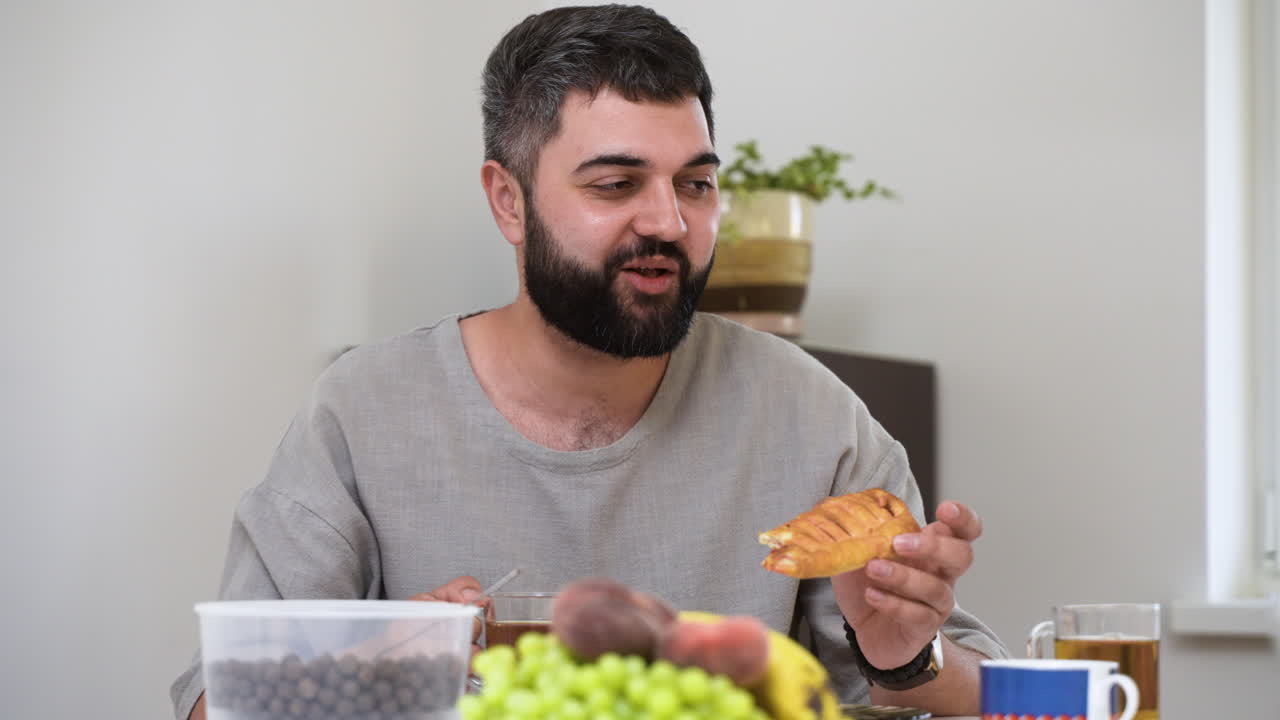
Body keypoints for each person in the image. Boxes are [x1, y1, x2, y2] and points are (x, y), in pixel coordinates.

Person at [171, 5, 1007, 719]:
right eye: (616, 185)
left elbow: (1002, 696)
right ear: (509, 200)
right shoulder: (362, 412)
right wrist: (372, 661)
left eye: (695, 185)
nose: (670, 223)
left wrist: (903, 661)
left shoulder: (810, 414)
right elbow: (219, 702)